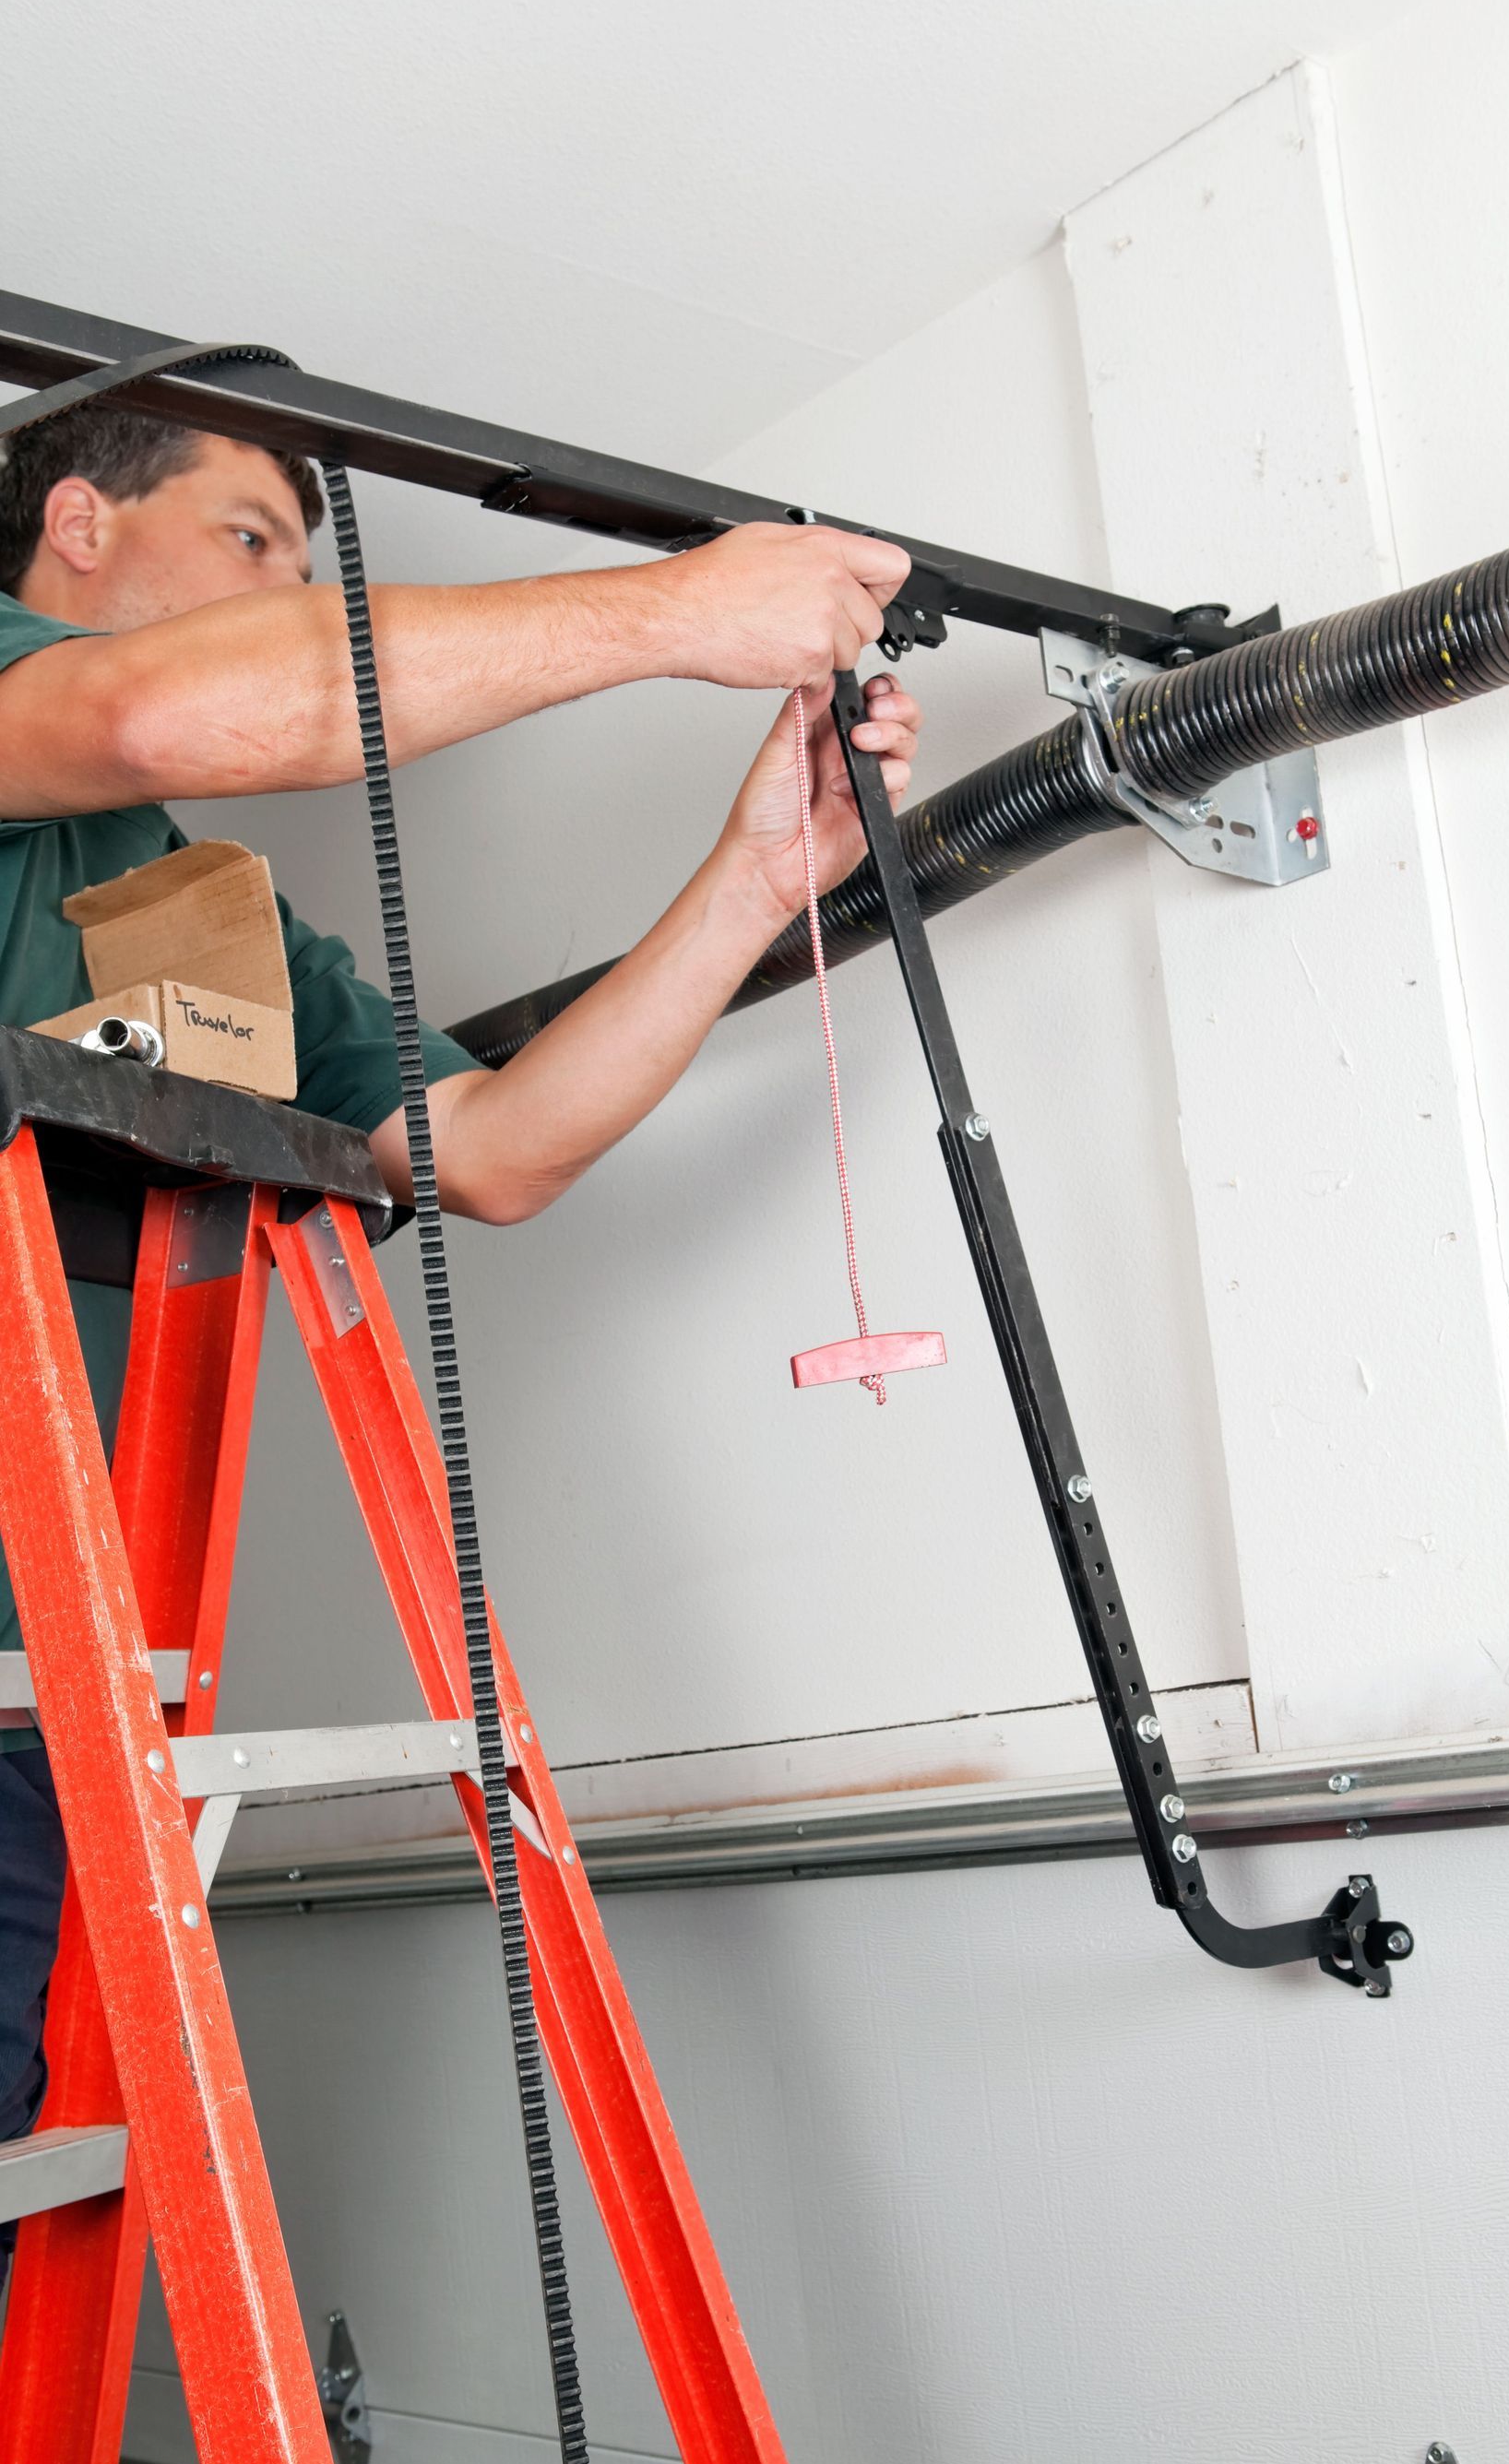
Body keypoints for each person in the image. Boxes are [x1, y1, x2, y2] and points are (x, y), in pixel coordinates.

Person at [0, 405, 921, 2254]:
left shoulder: (195, 924)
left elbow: (495, 1148)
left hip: (40, 1683)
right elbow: (160, 712)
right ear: (79, 523)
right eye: (255, 536)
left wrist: (760, 875)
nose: (289, 590)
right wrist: (681, 611)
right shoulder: (50, 703)